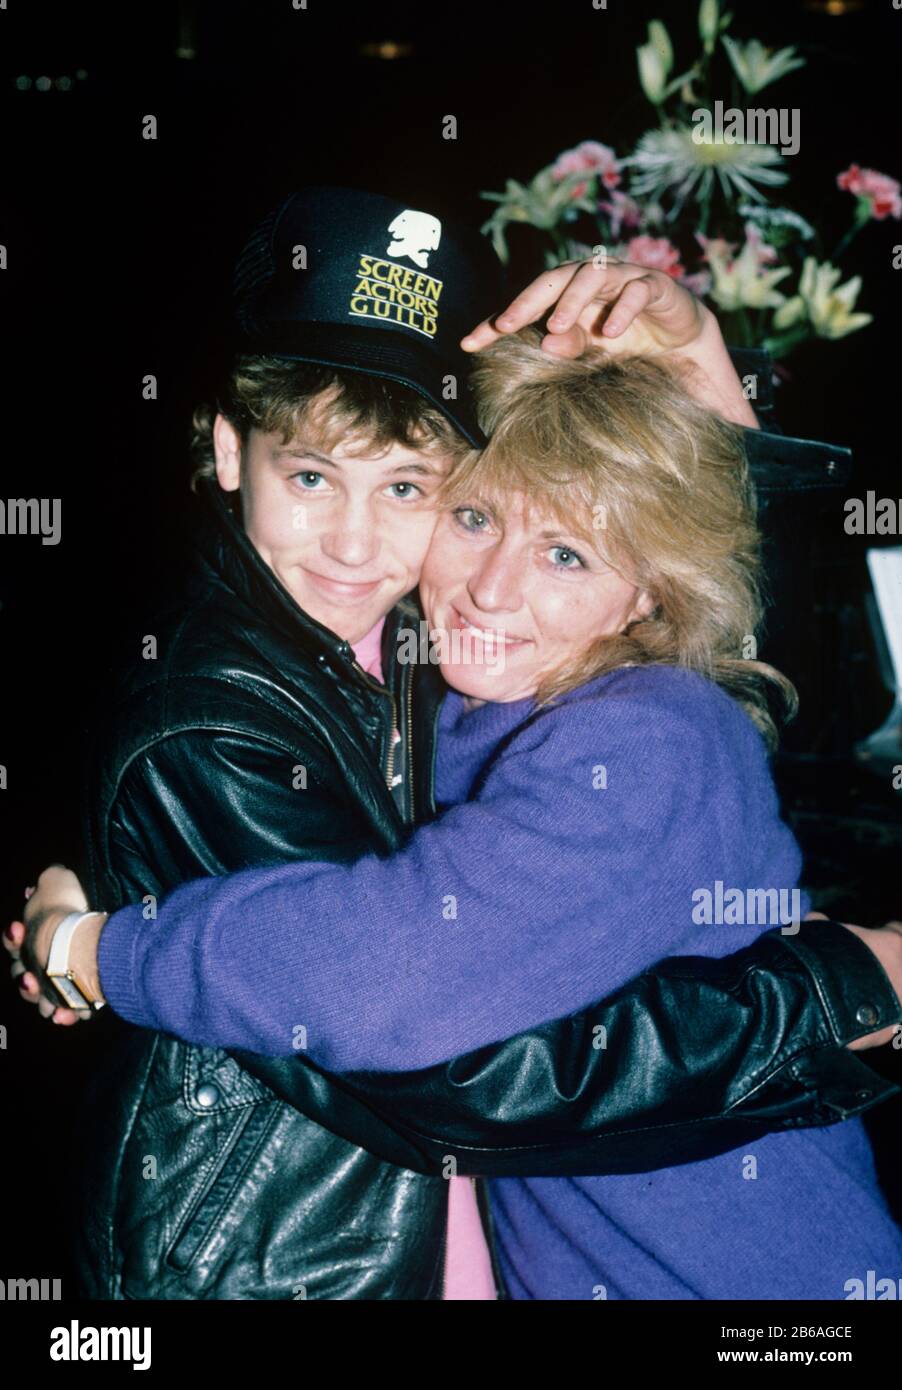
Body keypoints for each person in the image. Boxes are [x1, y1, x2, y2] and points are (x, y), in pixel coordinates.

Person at [10, 188, 902, 1301]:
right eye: (476, 520)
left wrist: (102, 947)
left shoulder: (577, 702)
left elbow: (662, 567)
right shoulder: (373, 679)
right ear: (229, 452)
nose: (485, 581)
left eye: (410, 490)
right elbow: (448, 1036)